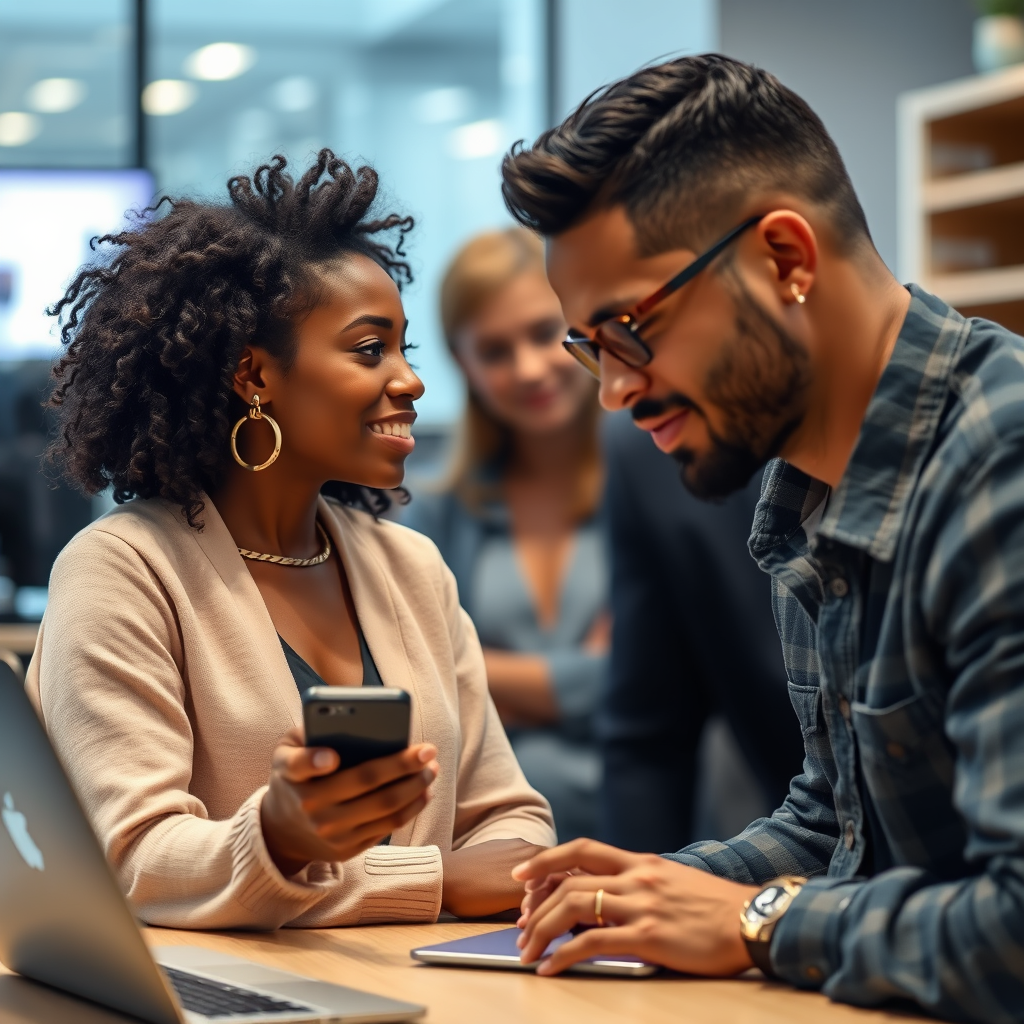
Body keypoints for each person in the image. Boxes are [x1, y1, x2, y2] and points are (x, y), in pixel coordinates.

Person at [498, 54, 1024, 1023]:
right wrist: (645, 892)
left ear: (784, 258)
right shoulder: (799, 486)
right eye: (589, 346)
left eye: (627, 327)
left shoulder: (1002, 466)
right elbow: (838, 822)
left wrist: (757, 920)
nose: (610, 389)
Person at [26, 151, 555, 931]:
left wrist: (353, 872)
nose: (409, 380)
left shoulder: (411, 568)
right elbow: (133, 862)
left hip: (443, 991)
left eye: (405, 348)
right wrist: (391, 869)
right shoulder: (123, 570)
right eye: (370, 349)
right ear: (255, 375)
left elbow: (510, 824)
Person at [406, 228, 606, 842]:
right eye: (494, 350)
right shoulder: (431, 516)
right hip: (491, 849)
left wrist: (474, 672)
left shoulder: (660, 491)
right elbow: (418, 688)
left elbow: (631, 685)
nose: (528, 368)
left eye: (546, 334)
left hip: (663, 836)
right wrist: (573, 679)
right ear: (462, 364)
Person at [600, 411, 803, 852]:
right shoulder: (642, 448)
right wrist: (636, 896)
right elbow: (649, 735)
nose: (611, 390)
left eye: (636, 339)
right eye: (595, 348)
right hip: (801, 845)